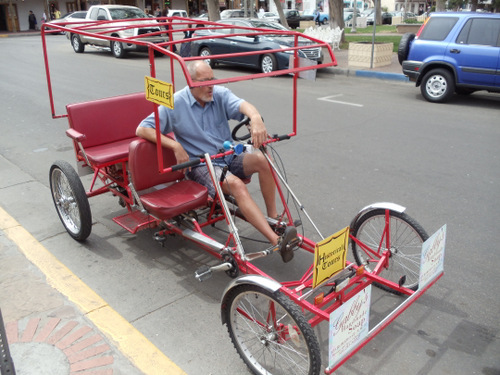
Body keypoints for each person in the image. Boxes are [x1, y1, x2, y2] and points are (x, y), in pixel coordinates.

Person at [136, 61, 297, 262]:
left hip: (227, 155)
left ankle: (273, 218)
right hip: (201, 165)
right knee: (237, 185)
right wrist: (176, 146)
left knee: (263, 160)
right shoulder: (175, 102)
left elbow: (243, 105)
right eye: (204, 82)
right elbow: (142, 128)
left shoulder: (218, 94)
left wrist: (255, 118)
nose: (210, 86)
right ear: (190, 82)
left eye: (212, 80)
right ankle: (275, 240)